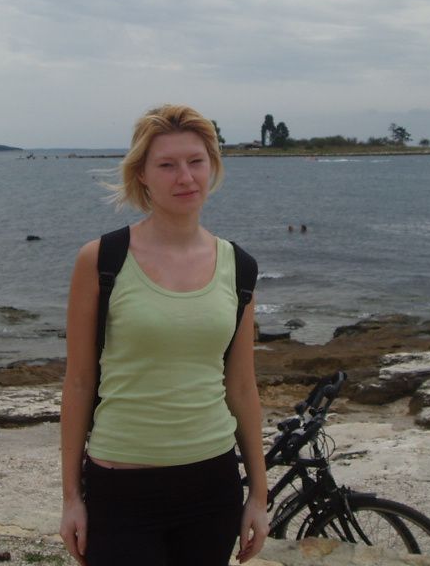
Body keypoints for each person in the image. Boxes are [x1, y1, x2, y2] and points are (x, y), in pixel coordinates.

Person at [59, 105, 268, 566]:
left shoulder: (239, 267)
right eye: (167, 165)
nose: (185, 177)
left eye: (196, 162)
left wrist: (258, 493)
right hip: (121, 489)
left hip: (213, 487)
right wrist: (71, 497)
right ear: (143, 175)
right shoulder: (101, 260)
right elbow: (78, 382)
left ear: (212, 167)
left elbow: (241, 387)